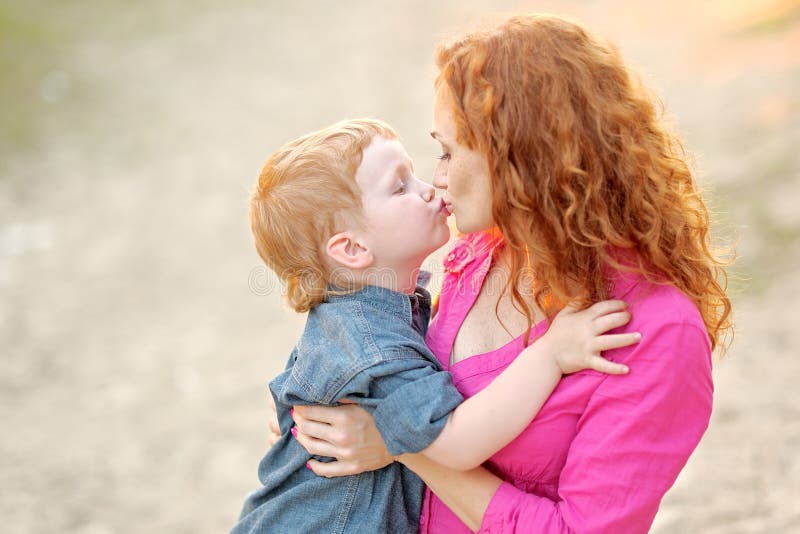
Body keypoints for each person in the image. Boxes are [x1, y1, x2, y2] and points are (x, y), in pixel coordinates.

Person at [285, 14, 733, 533]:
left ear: (521, 159)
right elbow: (368, 358)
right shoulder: (476, 254)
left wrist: (400, 443)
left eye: (450, 152)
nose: (438, 177)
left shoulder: (656, 331)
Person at [233, 118, 639, 533]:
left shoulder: (360, 317)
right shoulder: (375, 347)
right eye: (400, 187)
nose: (430, 187)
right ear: (353, 248)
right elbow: (458, 443)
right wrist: (551, 354)